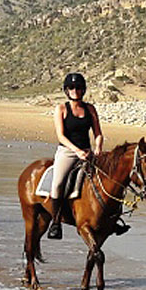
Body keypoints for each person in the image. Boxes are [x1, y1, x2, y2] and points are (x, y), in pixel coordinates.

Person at [46, 72, 103, 240]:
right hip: (68, 151)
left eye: (78, 87)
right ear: (66, 90)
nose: (75, 91)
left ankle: (112, 218)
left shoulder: (90, 109)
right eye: (71, 88)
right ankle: (56, 222)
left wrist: (98, 147)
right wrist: (77, 151)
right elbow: (61, 136)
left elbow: (98, 133)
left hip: (88, 151)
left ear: (83, 89)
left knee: (107, 178)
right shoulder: (61, 109)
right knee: (58, 184)